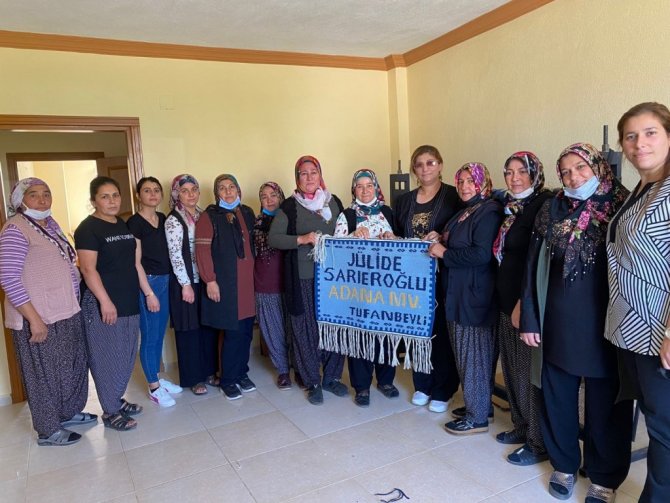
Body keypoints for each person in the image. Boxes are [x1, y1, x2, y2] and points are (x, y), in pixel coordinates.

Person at [520, 143, 632, 502]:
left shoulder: (622, 205)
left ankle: (604, 477)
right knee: (557, 397)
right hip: (557, 321)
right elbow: (532, 266)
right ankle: (564, 464)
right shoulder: (551, 209)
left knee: (606, 406)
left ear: (598, 168)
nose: (573, 177)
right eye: (566, 171)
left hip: (605, 325)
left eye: (581, 168)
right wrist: (531, 319)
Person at [606, 102, 670, 503]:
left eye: (650, 133)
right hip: (632, 328)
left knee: (664, 431)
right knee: (655, 421)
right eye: (630, 136)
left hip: (660, 330)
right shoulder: (642, 189)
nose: (639, 143)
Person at [0, 178, 94, 445]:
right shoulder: (15, 229)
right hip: (38, 316)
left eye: (46, 194)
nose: (42, 200)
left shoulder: (50, 224)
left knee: (68, 367)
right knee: (42, 375)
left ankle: (67, 413)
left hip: (64, 310)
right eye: (34, 195)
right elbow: (8, 277)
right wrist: (34, 320)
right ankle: (48, 430)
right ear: (20, 200)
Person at [428, 162, 502, 434]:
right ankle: (480, 405)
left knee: (475, 355)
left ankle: (476, 417)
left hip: (474, 296)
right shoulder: (466, 211)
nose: (464, 186)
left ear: (483, 182)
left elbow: (481, 254)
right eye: (460, 181)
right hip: (460, 293)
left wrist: (444, 253)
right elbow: (458, 240)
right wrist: (440, 237)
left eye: (471, 180)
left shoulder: (489, 211)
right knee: (468, 353)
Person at [269, 155, 346, 405]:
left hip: (333, 278)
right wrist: (301, 239)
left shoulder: (334, 202)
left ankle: (332, 378)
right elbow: (273, 238)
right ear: (297, 178)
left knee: (334, 327)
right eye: (303, 173)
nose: (309, 177)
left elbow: (346, 232)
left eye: (314, 172)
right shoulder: (289, 207)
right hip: (303, 278)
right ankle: (312, 381)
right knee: (306, 330)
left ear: (320, 175)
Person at [492, 152, 552, 464]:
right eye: (509, 172)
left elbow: (536, 260)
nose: (514, 178)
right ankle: (521, 425)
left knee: (530, 374)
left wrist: (522, 305)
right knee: (512, 370)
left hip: (523, 304)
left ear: (535, 174)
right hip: (505, 299)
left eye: (522, 171)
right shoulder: (510, 207)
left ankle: (538, 442)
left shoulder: (542, 205)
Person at [393, 145, 460, 413]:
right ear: (414, 169)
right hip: (412, 278)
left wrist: (443, 237)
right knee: (416, 330)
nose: (425, 168)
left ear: (440, 165)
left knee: (441, 332)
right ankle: (422, 384)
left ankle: (444, 388)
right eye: (419, 164)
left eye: (430, 162)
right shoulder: (403, 201)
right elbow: (398, 233)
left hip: (443, 275)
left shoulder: (454, 196)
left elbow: (464, 232)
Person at [75, 176, 143, 431]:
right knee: (107, 357)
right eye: (105, 196)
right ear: (94, 201)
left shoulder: (121, 223)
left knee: (126, 353)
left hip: (128, 298)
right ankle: (110, 411)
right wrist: (105, 301)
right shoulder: (88, 229)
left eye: (115, 195)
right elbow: (88, 269)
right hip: (103, 302)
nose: (112, 201)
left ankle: (115, 398)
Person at [334, 168, 398, 407]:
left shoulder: (387, 212)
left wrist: (392, 238)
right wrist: (352, 235)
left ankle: (386, 380)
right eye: (359, 186)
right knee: (360, 334)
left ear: (376, 187)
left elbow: (402, 245)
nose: (365, 190)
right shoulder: (347, 215)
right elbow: (334, 252)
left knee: (386, 332)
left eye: (369, 185)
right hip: (358, 288)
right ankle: (361, 386)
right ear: (354, 190)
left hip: (387, 286)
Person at [195, 174, 256, 401]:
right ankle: (228, 379)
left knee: (247, 331)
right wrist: (210, 280)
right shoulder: (209, 216)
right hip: (227, 283)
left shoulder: (246, 212)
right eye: (222, 188)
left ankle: (241, 373)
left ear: (238, 190)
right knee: (233, 332)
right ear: (216, 193)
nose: (228, 191)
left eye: (232, 187)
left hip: (248, 283)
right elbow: (202, 251)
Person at [127, 176, 182, 408]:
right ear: (138, 195)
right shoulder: (134, 223)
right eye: (147, 190)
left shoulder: (163, 218)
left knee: (159, 334)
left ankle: (157, 378)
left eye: (156, 190)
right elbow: (135, 262)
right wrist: (148, 293)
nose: (152, 194)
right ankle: (153, 387)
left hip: (166, 280)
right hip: (148, 283)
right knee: (150, 337)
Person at [165, 174, 218, 396]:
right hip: (185, 283)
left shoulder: (203, 215)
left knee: (206, 327)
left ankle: (208, 372)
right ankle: (193, 378)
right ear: (177, 194)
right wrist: (185, 284)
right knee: (189, 330)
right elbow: (175, 255)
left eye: (194, 190)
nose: (190, 195)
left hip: (204, 280)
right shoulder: (174, 220)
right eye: (184, 191)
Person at [253, 182, 292, 390]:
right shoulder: (255, 224)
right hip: (265, 283)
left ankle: (299, 367)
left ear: (281, 197)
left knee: (292, 328)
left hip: (290, 282)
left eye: (273, 195)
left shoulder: (290, 221)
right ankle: (283, 370)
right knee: (272, 329)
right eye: (264, 196)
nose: (269, 200)